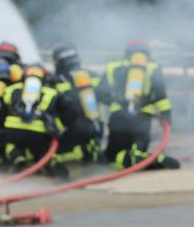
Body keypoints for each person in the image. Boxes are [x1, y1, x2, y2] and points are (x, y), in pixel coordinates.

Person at [100, 39, 179, 169]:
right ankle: (153, 160)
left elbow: (100, 93)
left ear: (127, 51)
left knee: (113, 156)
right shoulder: (152, 67)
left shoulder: (112, 67)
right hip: (142, 119)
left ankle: (138, 160)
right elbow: (161, 96)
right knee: (138, 150)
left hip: (118, 117)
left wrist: (116, 100)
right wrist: (166, 116)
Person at [1, 63, 75, 177]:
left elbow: (2, 109)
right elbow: (71, 109)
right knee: (43, 149)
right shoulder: (52, 92)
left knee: (10, 143)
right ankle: (51, 164)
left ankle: (17, 157)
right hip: (39, 133)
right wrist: (59, 125)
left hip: (14, 131)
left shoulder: (12, 89)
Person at [51, 42, 103, 164]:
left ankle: (80, 153)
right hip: (96, 125)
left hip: (72, 128)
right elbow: (105, 95)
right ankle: (91, 150)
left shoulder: (55, 80)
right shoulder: (91, 75)